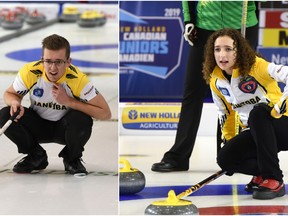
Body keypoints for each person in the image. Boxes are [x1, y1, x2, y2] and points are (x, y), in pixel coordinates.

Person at [152, 1, 259, 172]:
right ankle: (178, 156)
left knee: (236, 92)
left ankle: (231, 154)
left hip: (242, 24)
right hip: (205, 27)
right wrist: (188, 20)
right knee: (192, 92)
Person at [0, 34, 111, 175]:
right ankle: (36, 156)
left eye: (58, 62)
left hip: (64, 129)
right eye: (48, 61)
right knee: (5, 114)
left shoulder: (78, 79)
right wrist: (15, 102)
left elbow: (105, 113)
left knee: (82, 119)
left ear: (68, 62)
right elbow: (10, 94)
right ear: (42, 61)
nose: (53, 68)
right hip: (38, 126)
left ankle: (72, 158)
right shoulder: (30, 71)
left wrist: (69, 101)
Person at [203, 28, 287, 200]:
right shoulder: (216, 80)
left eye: (228, 49)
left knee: (258, 113)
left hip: (282, 124)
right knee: (225, 158)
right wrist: (230, 142)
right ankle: (263, 172)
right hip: (258, 132)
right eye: (217, 49)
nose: (222, 54)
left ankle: (274, 179)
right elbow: (225, 114)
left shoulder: (255, 66)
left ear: (238, 51)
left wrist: (280, 107)